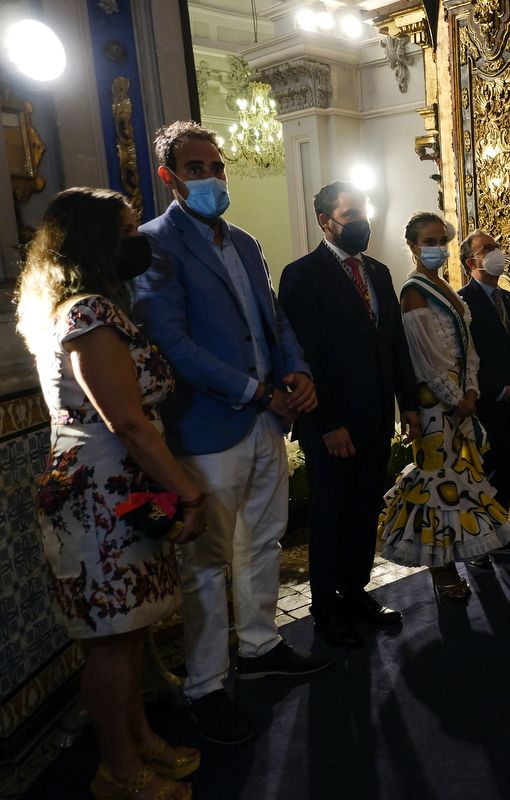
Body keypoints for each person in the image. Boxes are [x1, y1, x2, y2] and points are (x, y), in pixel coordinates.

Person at [131, 121, 327, 746]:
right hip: (208, 427)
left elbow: (272, 318)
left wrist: (294, 371)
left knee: (264, 540)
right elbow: (173, 344)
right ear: (169, 177)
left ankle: (262, 643)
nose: (213, 177)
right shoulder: (155, 246)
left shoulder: (242, 241)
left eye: (217, 165)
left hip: (268, 418)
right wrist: (254, 391)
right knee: (208, 563)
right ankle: (207, 684)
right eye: (197, 169)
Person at [17, 188, 203, 799]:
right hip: (101, 493)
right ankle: (119, 772)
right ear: (98, 242)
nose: (137, 239)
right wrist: (187, 490)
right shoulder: (89, 314)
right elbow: (125, 419)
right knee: (110, 641)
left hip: (116, 487)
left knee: (127, 633)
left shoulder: (88, 308)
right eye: (125, 229)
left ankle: (141, 739)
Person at [277, 181, 417, 649]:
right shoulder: (302, 275)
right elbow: (304, 358)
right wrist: (327, 423)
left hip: (376, 419)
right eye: (350, 214)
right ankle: (325, 609)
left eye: (364, 212)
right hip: (331, 424)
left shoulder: (378, 272)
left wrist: (409, 404)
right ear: (325, 221)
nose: (361, 222)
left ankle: (355, 593)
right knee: (331, 517)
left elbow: (393, 345)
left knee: (363, 513)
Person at [377, 212, 510, 600]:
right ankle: (441, 571)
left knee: (460, 483)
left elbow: (467, 350)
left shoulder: (447, 289)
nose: (437, 247)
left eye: (442, 240)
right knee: (438, 487)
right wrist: (459, 398)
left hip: (460, 401)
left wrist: (471, 388)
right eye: (429, 240)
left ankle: (456, 557)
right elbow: (425, 359)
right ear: (412, 246)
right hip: (433, 406)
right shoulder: (414, 291)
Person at [456, 229, 510, 567]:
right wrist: (498, 389)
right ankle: (476, 543)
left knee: (506, 470)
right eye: (487, 249)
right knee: (481, 475)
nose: (496, 252)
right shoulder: (462, 302)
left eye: (496, 246)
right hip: (484, 402)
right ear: (472, 261)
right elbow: (467, 357)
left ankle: (501, 532)